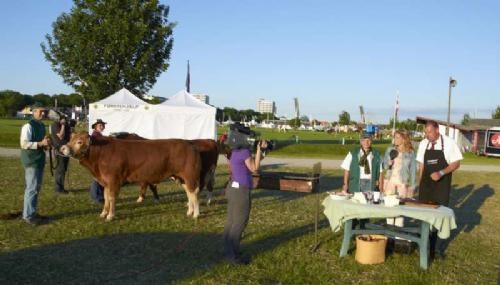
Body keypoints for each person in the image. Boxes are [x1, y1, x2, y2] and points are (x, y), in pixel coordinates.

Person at [416, 120, 463, 259]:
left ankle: (436, 248)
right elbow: (421, 165)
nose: (427, 135)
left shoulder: (449, 143)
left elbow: (456, 163)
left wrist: (441, 173)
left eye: (429, 132)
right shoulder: (423, 143)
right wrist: (419, 183)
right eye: (426, 132)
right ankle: (424, 244)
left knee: (440, 215)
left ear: (437, 130)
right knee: (424, 214)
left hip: (441, 185)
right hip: (426, 185)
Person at [223, 129, 267, 266]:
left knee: (231, 222)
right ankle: (234, 257)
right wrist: (259, 150)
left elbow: (251, 163)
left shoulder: (235, 152)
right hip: (241, 191)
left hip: (232, 189)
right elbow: (254, 168)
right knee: (240, 222)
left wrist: (262, 151)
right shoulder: (245, 152)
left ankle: (229, 251)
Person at [20, 102, 50, 225]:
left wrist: (46, 145)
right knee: (32, 188)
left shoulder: (42, 125)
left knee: (36, 188)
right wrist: (40, 144)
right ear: (33, 112)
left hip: (39, 159)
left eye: (44, 111)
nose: (42, 113)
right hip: (31, 160)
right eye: (40, 111)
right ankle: (28, 215)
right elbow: (24, 144)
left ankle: (32, 212)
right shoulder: (28, 126)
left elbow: (41, 142)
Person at [382, 130, 417, 227]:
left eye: (397, 137)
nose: (395, 139)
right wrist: (388, 163)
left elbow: (413, 170)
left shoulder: (410, 153)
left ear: (404, 139)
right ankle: (389, 232)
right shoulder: (390, 150)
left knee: (400, 210)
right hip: (390, 182)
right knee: (389, 208)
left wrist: (413, 186)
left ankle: (397, 234)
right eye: (394, 137)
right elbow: (384, 166)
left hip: (402, 183)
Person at [50, 114, 72, 194]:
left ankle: (61, 187)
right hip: (59, 149)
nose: (65, 120)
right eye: (63, 119)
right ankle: (58, 188)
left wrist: (70, 126)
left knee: (64, 169)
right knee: (60, 169)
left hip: (66, 149)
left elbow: (70, 134)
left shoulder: (66, 125)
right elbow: (61, 136)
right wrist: (63, 125)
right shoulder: (55, 124)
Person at [89, 119, 107, 204]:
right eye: (100, 125)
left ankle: (99, 196)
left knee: (99, 178)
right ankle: (96, 197)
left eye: (103, 125)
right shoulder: (95, 136)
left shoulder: (97, 135)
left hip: (99, 159)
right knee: (97, 179)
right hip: (97, 159)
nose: (102, 126)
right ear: (96, 127)